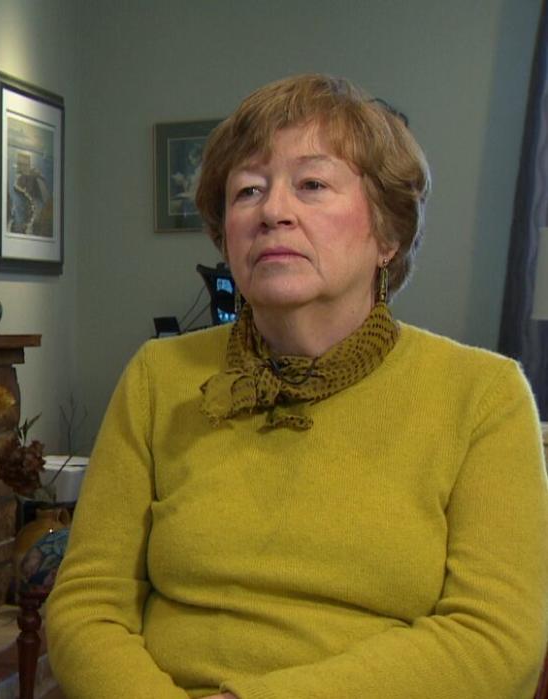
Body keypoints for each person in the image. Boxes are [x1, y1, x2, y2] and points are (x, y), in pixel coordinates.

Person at [45, 73, 548, 698]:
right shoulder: (157, 376)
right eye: (247, 191)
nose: (272, 211)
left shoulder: (484, 395)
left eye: (311, 185)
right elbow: (86, 605)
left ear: (388, 234)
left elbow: (497, 642)